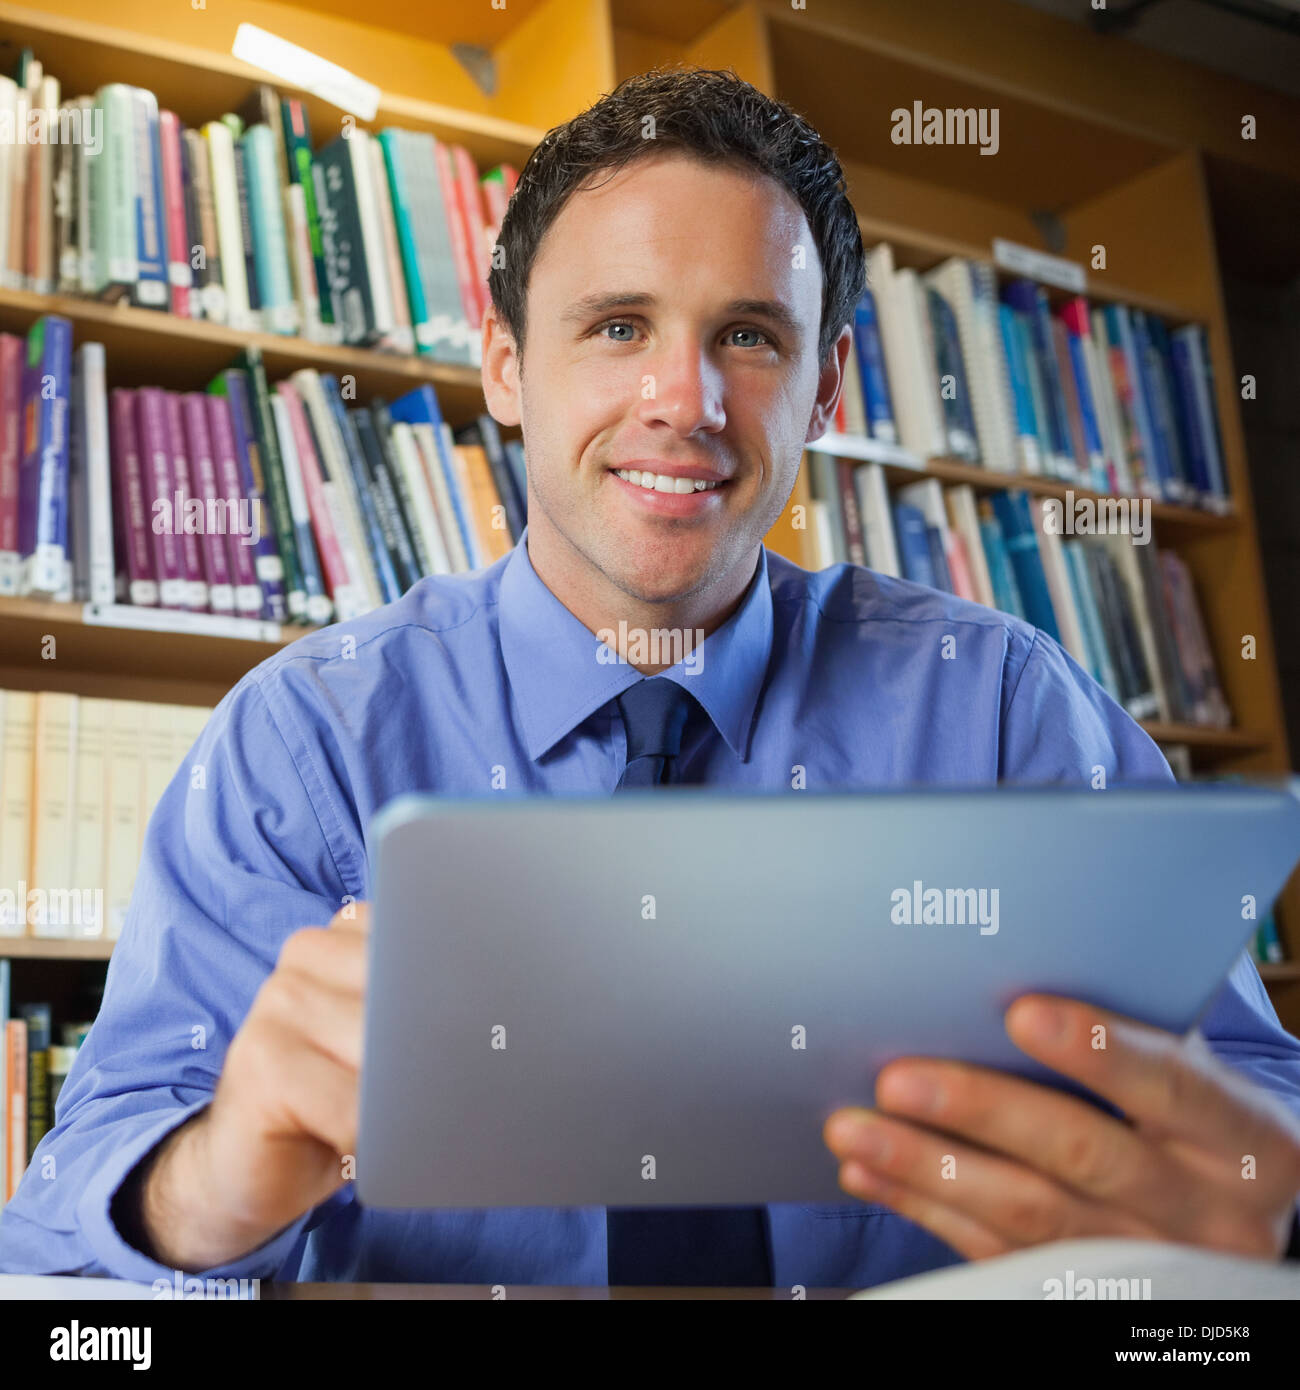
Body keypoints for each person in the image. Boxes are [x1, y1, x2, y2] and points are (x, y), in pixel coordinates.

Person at [2, 67, 1297, 1290]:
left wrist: (1256, 1203)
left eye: (748, 334)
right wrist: (218, 1175)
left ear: (826, 385)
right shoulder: (303, 741)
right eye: (618, 325)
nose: (683, 398)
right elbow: (62, 1237)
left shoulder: (1008, 709)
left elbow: (1257, 1108)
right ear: (504, 367)